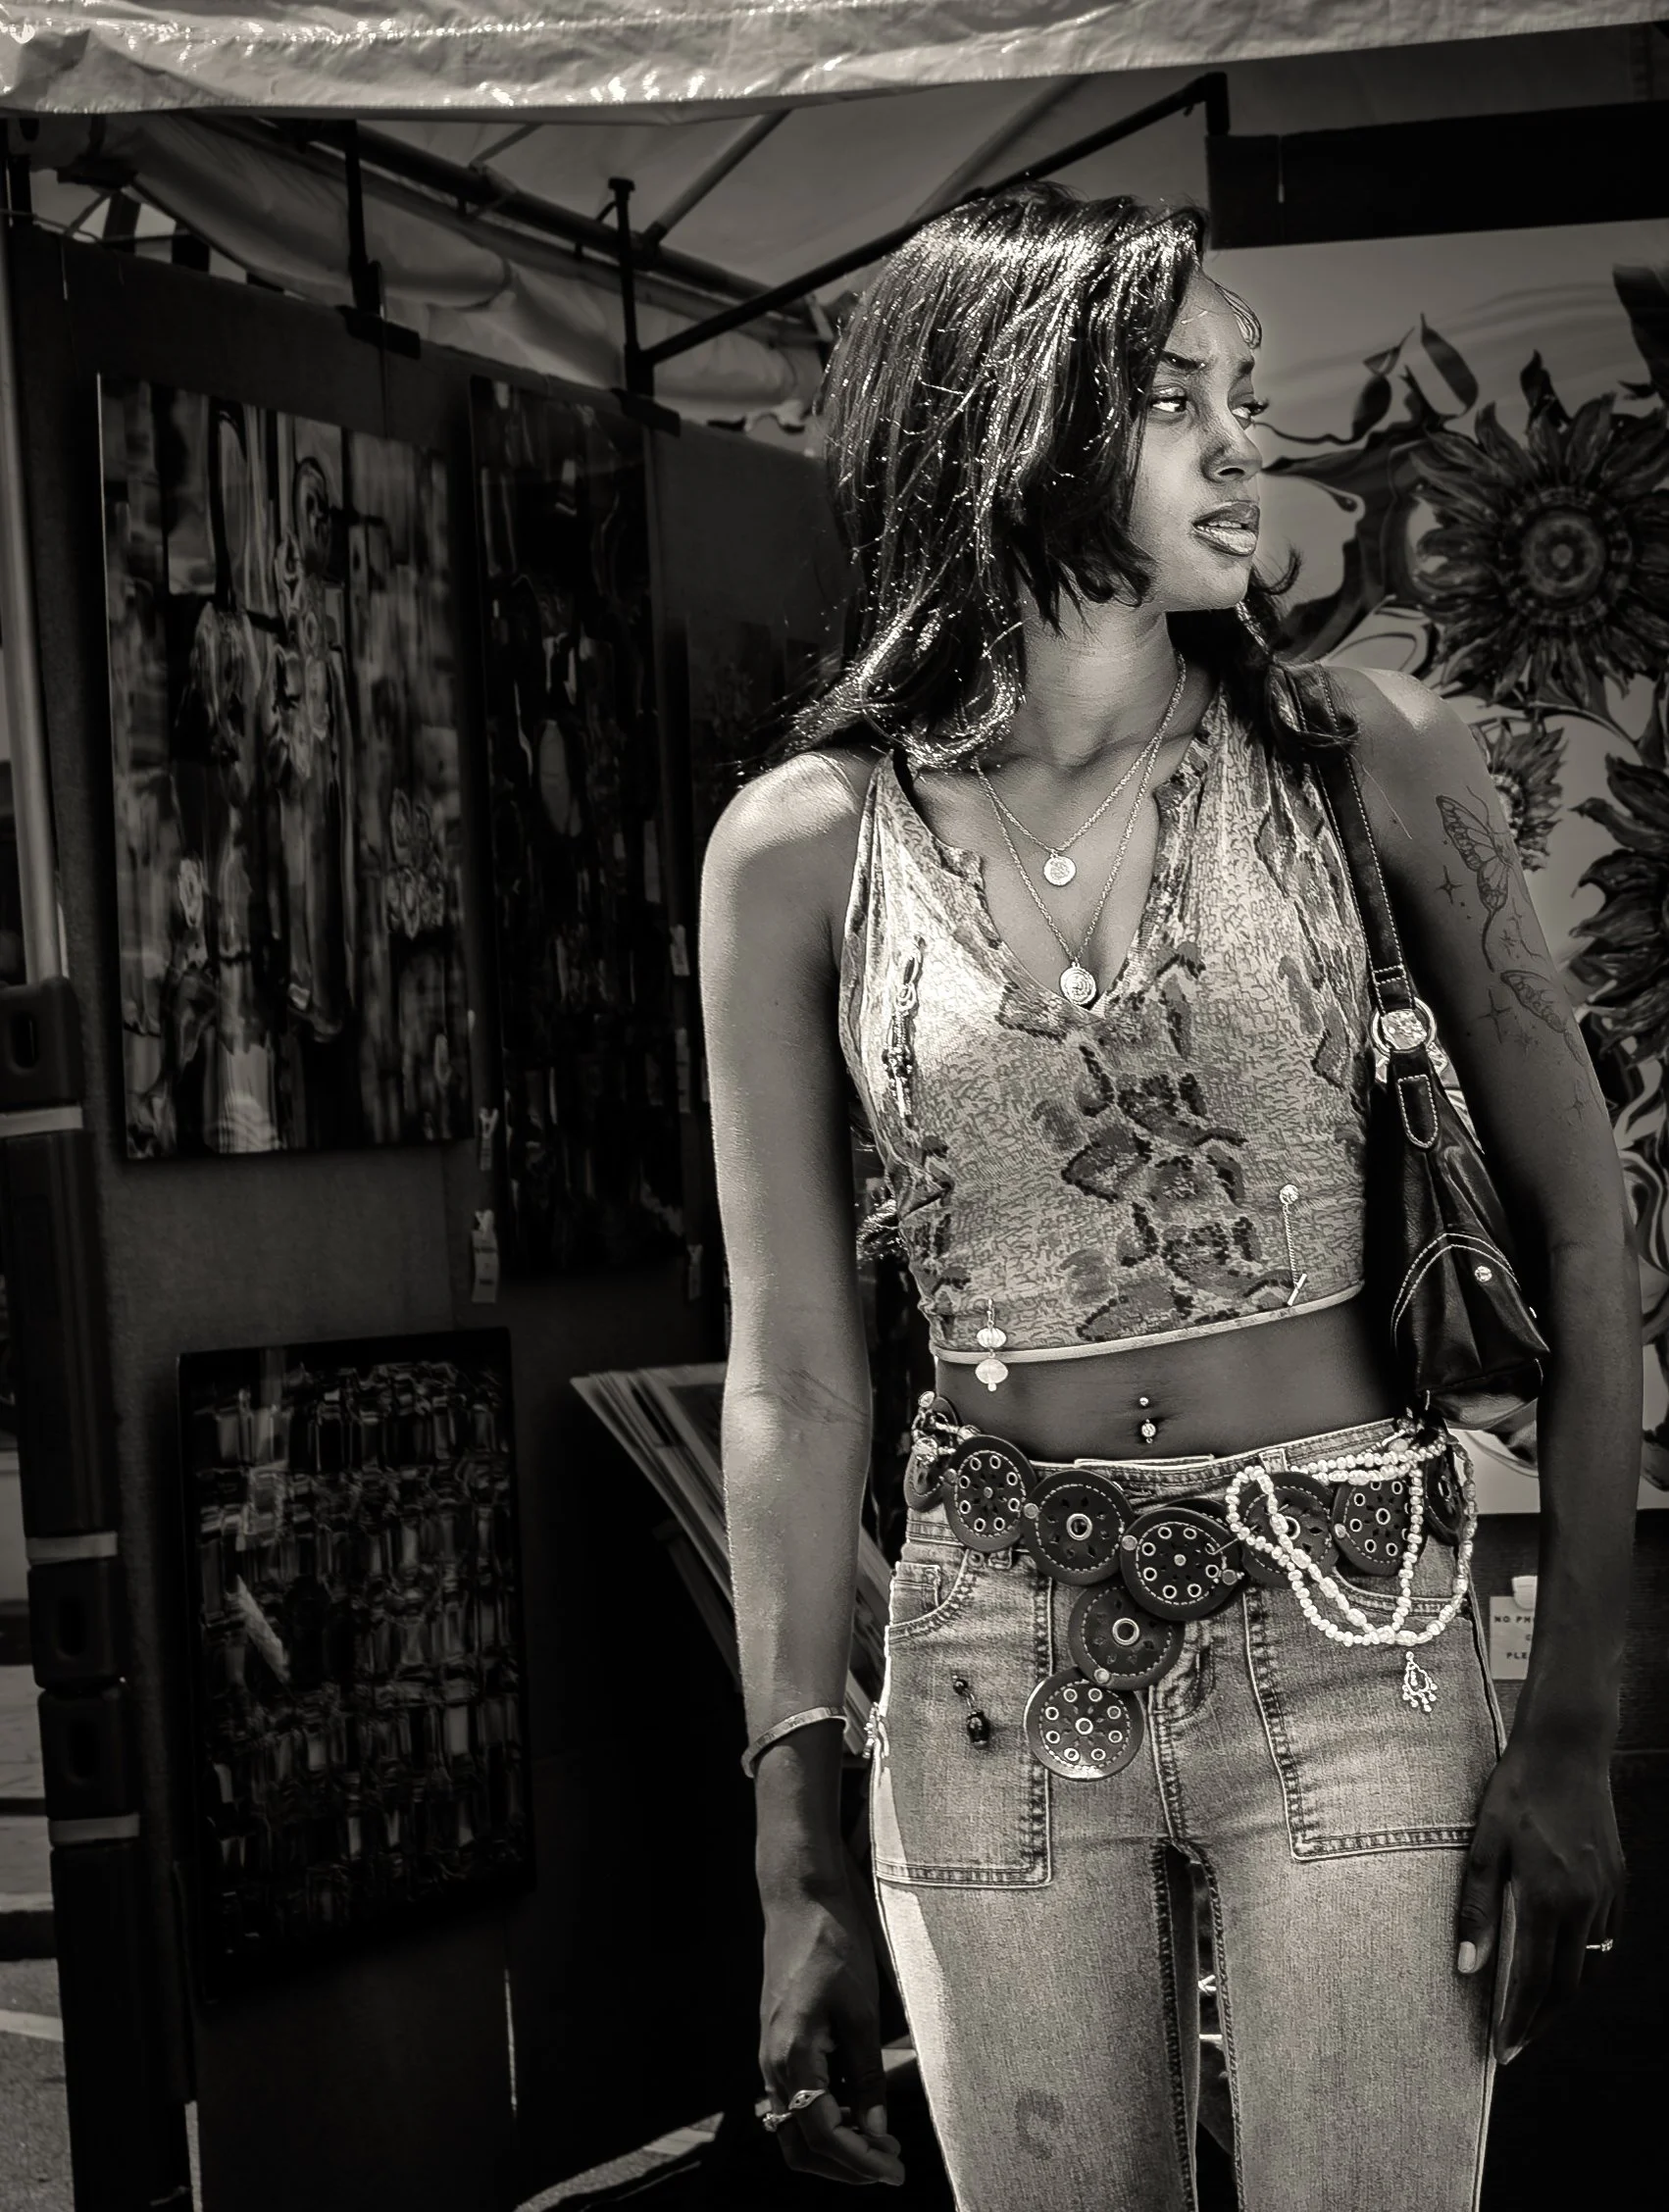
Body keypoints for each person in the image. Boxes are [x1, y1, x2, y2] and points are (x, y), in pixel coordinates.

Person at [696, 187, 1636, 2210]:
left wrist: (1569, 1732)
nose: (1247, 448)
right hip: (978, 1654)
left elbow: (1581, 1227)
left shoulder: (1360, 757)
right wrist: (794, 1832)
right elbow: (786, 1367)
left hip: (1358, 1631)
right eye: (1178, 399)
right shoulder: (799, 850)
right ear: (1013, 425)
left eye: (1252, 396)